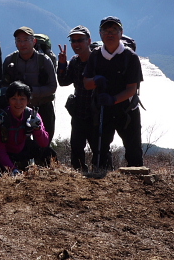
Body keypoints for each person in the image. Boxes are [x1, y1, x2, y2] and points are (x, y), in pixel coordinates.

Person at [83, 16, 143, 169]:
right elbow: (86, 83)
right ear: (100, 33)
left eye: (114, 30)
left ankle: (137, 185)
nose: (110, 34)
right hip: (103, 110)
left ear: (121, 33)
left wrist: (112, 99)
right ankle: (102, 184)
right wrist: (96, 80)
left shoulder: (131, 58)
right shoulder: (95, 56)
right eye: (106, 30)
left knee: (133, 151)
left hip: (127, 111)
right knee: (101, 151)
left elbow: (131, 89)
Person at [3, 26, 57, 141]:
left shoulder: (44, 61)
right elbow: (3, 86)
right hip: (18, 110)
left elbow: (52, 87)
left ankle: (44, 159)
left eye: (26, 40)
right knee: (18, 142)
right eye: (19, 40)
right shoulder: (10, 60)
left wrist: (29, 91)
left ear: (34, 41)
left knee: (44, 141)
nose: (22, 44)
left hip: (43, 106)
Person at [57, 25, 97, 172]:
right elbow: (63, 82)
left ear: (89, 41)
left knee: (99, 149)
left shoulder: (98, 60)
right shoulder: (74, 61)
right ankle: (79, 175)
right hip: (79, 112)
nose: (76, 44)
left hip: (96, 113)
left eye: (80, 40)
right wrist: (62, 63)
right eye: (73, 41)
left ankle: (102, 174)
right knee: (76, 148)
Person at [0, 81, 50, 174]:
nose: (18, 103)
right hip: (5, 156)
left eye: (22, 99)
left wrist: (37, 129)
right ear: (8, 100)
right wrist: (12, 169)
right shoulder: (0, 119)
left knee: (49, 153)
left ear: (28, 100)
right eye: (14, 98)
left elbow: (44, 143)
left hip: (23, 152)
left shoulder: (33, 115)